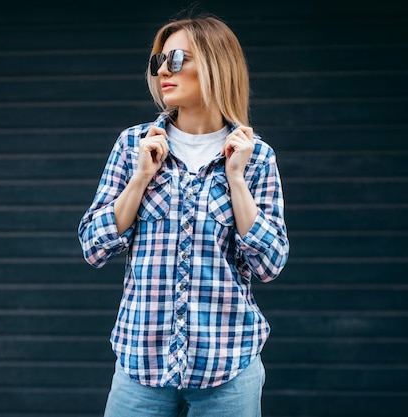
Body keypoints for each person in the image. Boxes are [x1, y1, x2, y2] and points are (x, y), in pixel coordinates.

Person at [77, 13, 289, 417]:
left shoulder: (256, 156)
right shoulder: (133, 146)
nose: (163, 72)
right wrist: (140, 177)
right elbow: (93, 245)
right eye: (158, 61)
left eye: (176, 60)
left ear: (215, 65)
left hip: (228, 369)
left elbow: (269, 264)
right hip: (141, 368)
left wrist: (237, 180)